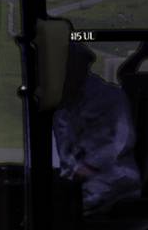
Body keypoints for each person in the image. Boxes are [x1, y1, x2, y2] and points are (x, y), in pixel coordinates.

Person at [49, 46, 142, 211]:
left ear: (82, 68)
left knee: (66, 210)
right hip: (77, 180)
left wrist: (83, 171)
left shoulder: (109, 98)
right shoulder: (63, 106)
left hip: (112, 179)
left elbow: (115, 143)